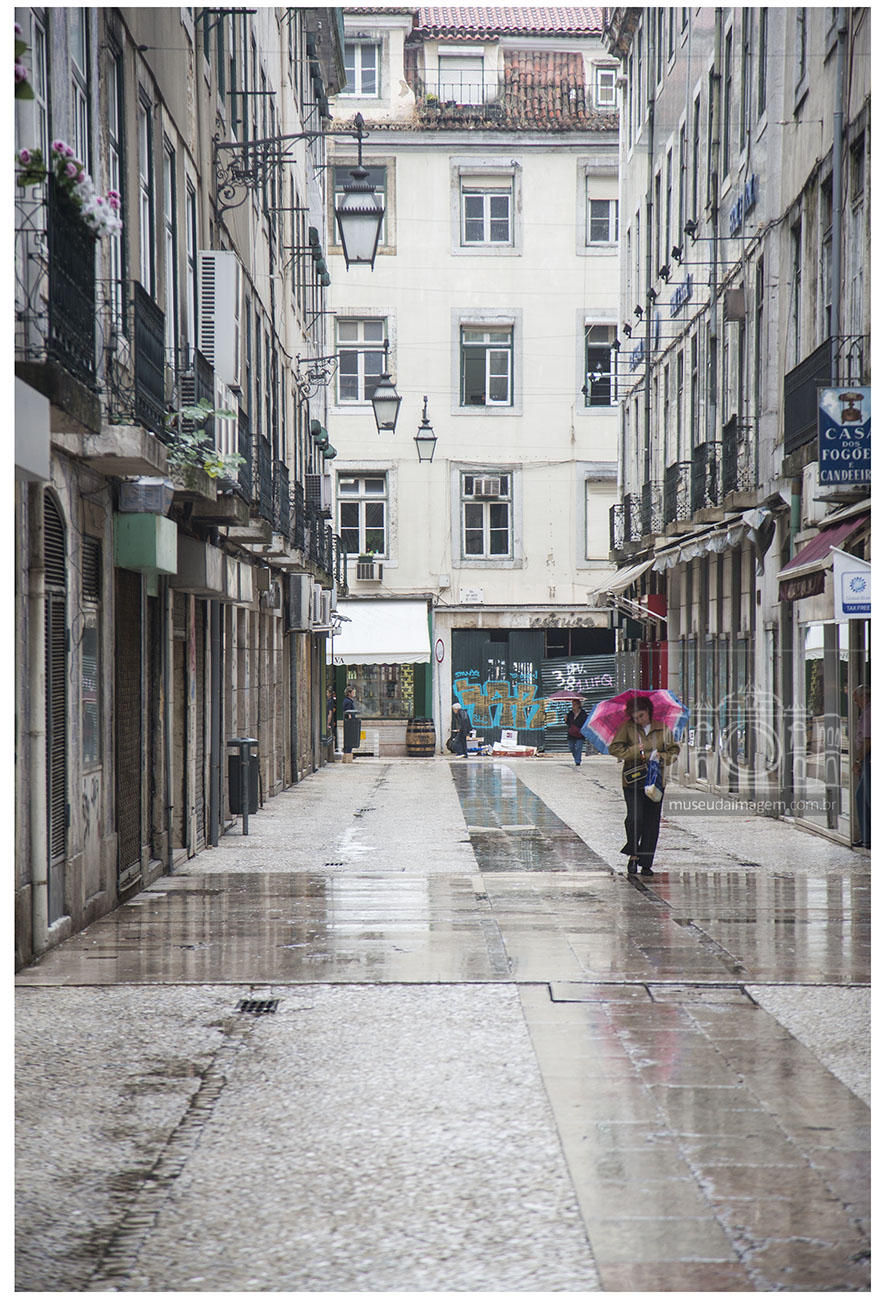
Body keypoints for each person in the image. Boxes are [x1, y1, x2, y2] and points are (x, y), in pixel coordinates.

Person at [609, 696, 680, 876]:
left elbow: (674, 751)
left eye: (641, 716)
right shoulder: (627, 728)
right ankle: (633, 854)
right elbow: (615, 749)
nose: (638, 720)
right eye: (635, 717)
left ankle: (646, 863)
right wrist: (636, 750)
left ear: (648, 711)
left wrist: (661, 756)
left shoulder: (662, 728)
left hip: (655, 781)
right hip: (633, 781)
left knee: (651, 822)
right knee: (635, 818)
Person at [852, 685, 871, 848]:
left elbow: (868, 740)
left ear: (864, 697)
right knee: (861, 797)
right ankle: (867, 837)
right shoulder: (866, 712)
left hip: (869, 758)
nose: (856, 703)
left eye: (856, 699)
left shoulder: (869, 713)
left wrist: (858, 761)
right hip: (867, 758)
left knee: (868, 797)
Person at [565, 698, 588, 767]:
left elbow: (585, 723)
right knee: (571, 746)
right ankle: (576, 758)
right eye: (572, 704)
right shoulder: (570, 713)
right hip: (571, 733)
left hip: (580, 733)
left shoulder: (583, 713)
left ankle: (577, 760)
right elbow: (568, 723)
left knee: (579, 746)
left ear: (578, 705)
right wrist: (566, 719)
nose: (573, 706)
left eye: (574, 704)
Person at [342, 686, 358, 756]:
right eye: (353, 692)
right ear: (349, 693)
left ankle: (348, 752)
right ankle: (348, 753)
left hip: (348, 722)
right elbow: (348, 712)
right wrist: (351, 721)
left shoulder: (348, 701)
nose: (354, 694)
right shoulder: (348, 702)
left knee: (349, 738)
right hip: (349, 723)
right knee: (350, 738)